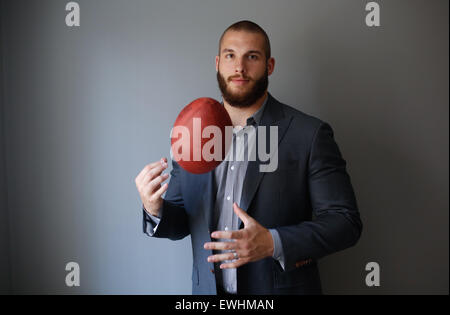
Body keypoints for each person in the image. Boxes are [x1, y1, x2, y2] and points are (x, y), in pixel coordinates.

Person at [135, 20, 362, 295]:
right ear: (218, 63)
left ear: (269, 66)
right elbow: (183, 220)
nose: (239, 68)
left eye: (251, 57)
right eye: (230, 56)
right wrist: (154, 208)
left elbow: (345, 222)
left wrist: (272, 242)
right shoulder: (192, 132)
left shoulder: (309, 134)